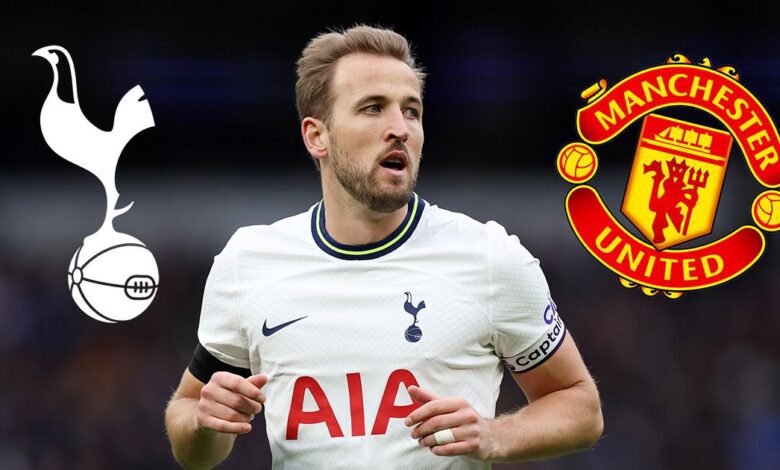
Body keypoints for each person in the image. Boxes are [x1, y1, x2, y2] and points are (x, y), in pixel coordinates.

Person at [165, 25, 603, 469]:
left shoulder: (489, 257)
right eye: (373, 109)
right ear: (317, 136)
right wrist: (203, 423)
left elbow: (580, 406)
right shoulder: (249, 262)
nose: (400, 129)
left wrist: (495, 435)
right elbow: (190, 430)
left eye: (411, 111)